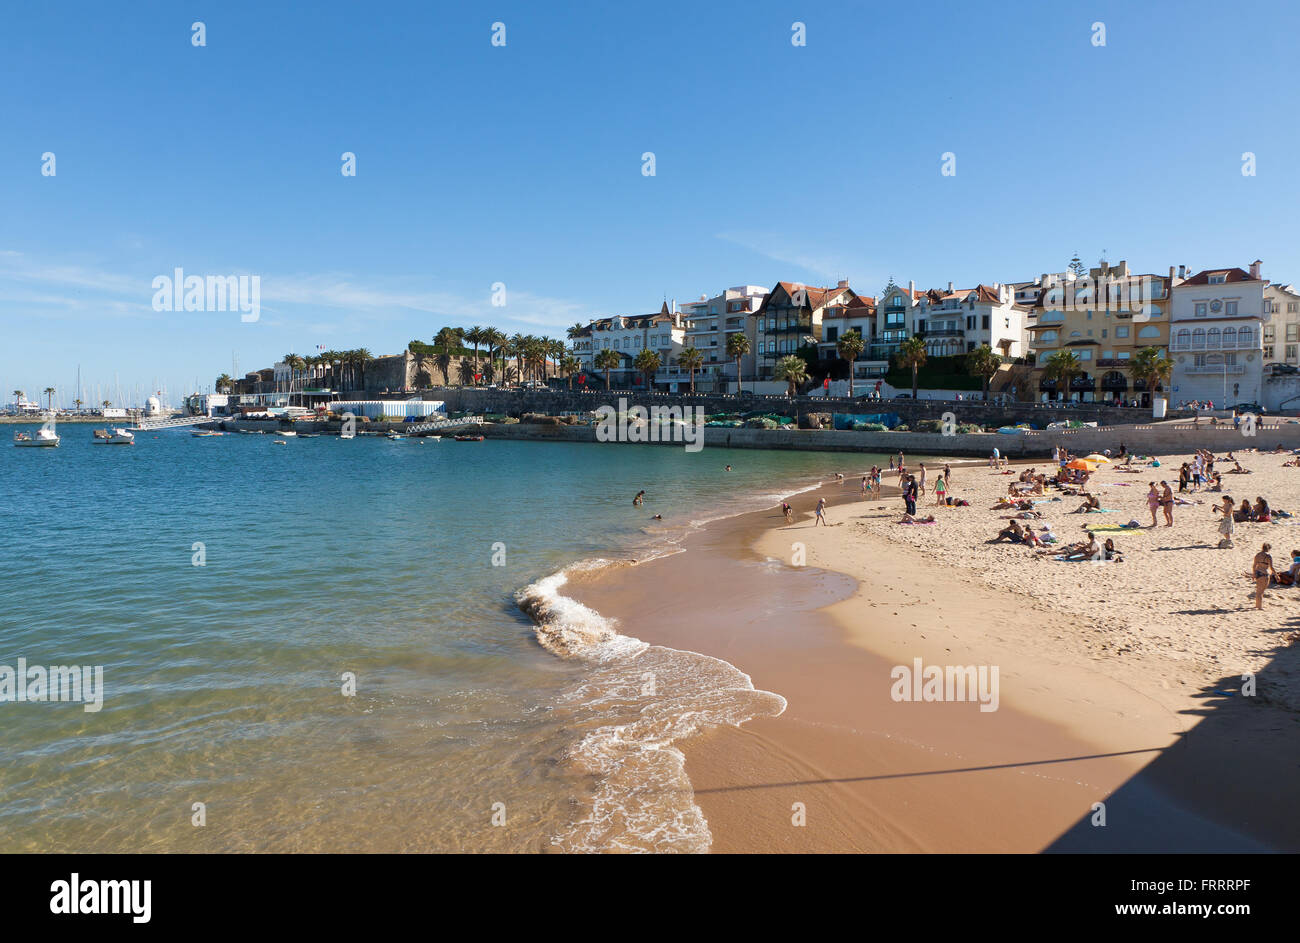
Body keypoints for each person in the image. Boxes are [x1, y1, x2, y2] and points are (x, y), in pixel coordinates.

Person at [1252, 544, 1276, 610]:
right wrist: (1276, 575)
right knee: (1261, 591)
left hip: (1258, 572)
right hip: (1264, 573)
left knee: (1258, 591)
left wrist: (1254, 574)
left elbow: (1254, 565)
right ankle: (1259, 607)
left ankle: (1257, 605)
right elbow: (1271, 567)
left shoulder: (1257, 555)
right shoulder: (1268, 556)